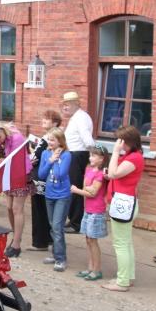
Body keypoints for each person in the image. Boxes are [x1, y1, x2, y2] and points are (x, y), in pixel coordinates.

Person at [102, 126, 145, 292]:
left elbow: (114, 173)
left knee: (120, 244)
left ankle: (122, 282)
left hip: (123, 203)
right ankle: (127, 277)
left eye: (120, 141)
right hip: (124, 202)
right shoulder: (132, 156)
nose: (118, 143)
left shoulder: (134, 158)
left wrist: (114, 152)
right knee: (126, 243)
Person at [0, 121, 33, 258]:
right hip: (8, 175)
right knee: (9, 207)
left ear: (3, 131)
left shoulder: (16, 138)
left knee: (17, 208)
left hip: (20, 173)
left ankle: (16, 244)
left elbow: (12, 159)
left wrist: (0, 160)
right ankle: (16, 236)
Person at [71, 145, 108, 280]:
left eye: (94, 155)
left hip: (97, 210)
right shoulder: (89, 169)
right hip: (88, 209)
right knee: (88, 239)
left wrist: (76, 190)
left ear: (102, 158)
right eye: (90, 155)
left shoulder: (100, 173)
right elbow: (87, 188)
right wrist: (86, 189)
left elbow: (92, 192)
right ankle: (90, 267)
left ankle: (97, 270)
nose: (90, 157)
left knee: (93, 240)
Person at [61, 91, 95, 232]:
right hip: (75, 154)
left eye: (68, 104)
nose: (65, 107)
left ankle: (76, 223)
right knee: (73, 187)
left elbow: (87, 139)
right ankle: (74, 220)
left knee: (74, 188)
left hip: (77, 155)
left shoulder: (80, 118)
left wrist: (94, 156)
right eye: (64, 104)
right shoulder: (77, 117)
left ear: (76, 103)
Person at [38, 127, 71, 270]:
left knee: (57, 226)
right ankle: (55, 254)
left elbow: (60, 174)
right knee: (53, 226)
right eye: (49, 139)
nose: (49, 142)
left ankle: (61, 258)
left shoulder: (67, 155)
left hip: (62, 195)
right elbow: (41, 174)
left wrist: (56, 160)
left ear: (60, 141)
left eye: (53, 140)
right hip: (49, 194)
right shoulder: (46, 154)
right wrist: (50, 160)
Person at [29, 110, 63, 251]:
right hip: (40, 175)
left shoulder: (52, 138)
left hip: (42, 177)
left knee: (40, 209)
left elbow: (42, 158)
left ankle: (41, 242)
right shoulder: (48, 137)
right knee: (42, 209)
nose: (43, 120)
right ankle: (46, 239)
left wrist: (33, 158)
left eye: (47, 119)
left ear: (54, 123)